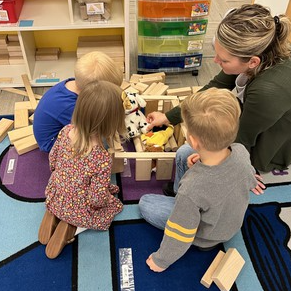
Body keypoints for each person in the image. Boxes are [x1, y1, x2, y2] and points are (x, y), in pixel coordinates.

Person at [146, 4, 291, 196]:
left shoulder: (267, 90)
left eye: (223, 60)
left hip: (269, 144)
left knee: (190, 154)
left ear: (253, 62)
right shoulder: (255, 56)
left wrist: (237, 168)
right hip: (256, 116)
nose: (215, 61)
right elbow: (210, 90)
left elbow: (242, 139)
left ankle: (186, 199)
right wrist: (167, 117)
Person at [139, 88, 259, 272]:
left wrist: (161, 261)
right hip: (225, 217)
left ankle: (197, 231)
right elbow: (247, 177)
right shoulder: (241, 150)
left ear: (194, 141)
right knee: (184, 153)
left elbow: (180, 234)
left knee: (145, 203)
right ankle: (182, 202)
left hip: (207, 235)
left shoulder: (192, 189)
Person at [38, 80, 127, 259]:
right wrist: (104, 201)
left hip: (56, 192)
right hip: (78, 206)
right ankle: (70, 224)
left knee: (68, 189)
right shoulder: (101, 158)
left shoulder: (65, 131)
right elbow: (96, 198)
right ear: (110, 124)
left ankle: (54, 211)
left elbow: (53, 161)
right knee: (114, 206)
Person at [33, 51, 123, 152]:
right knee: (101, 142)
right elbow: (93, 128)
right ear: (93, 93)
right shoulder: (71, 107)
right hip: (52, 143)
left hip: (63, 127)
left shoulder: (77, 84)